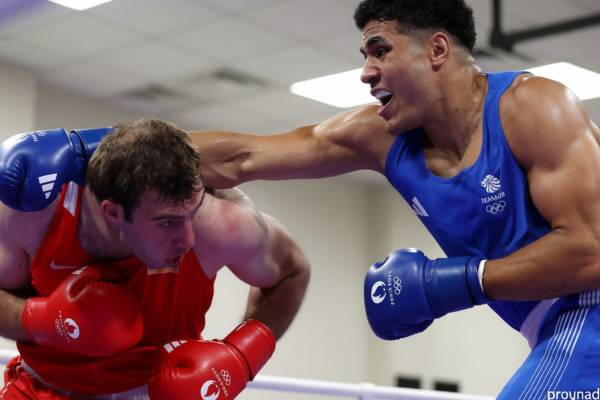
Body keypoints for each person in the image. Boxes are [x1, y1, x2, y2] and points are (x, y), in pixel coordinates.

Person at [3, 0, 600, 396]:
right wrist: (81, 148)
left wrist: (455, 283)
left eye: (380, 50)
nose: (366, 72)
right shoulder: (379, 135)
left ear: (437, 50)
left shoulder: (533, 106)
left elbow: (592, 250)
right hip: (548, 327)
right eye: (364, 56)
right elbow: (241, 157)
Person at [0, 117, 310, 399]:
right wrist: (43, 319)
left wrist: (243, 354)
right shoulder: (37, 217)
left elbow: (292, 272)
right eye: (167, 222)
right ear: (114, 212)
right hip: (41, 389)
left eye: (192, 212)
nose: (188, 239)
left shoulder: (220, 222)